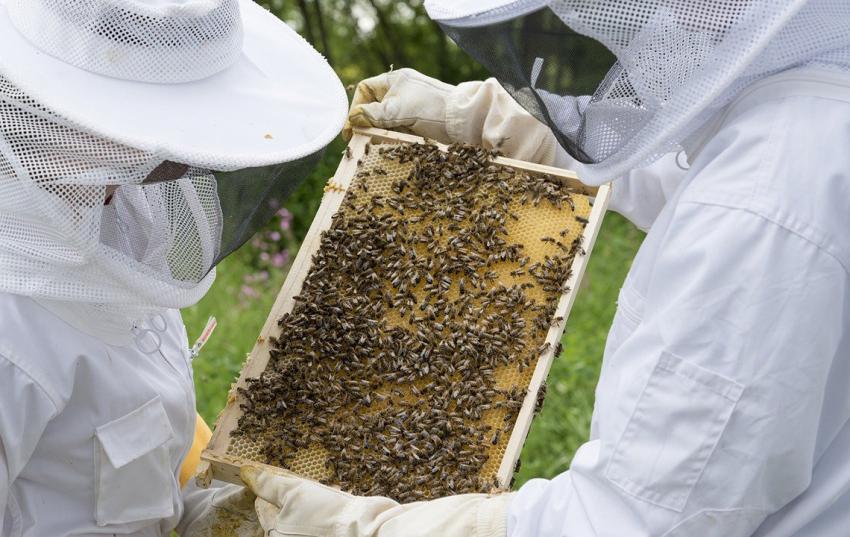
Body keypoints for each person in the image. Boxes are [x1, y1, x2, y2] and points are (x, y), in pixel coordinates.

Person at [232, 2, 850, 537]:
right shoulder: (808, 115)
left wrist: (375, 528)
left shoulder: (765, 199)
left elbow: (637, 523)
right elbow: (689, 177)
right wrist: (511, 127)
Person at [0, 0, 347, 535]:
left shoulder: (117, 221)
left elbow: (135, 481)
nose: (170, 161)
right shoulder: (12, 337)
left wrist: (233, 516)